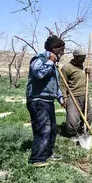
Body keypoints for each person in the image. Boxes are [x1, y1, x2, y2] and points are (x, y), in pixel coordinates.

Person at [26, 35, 66, 167]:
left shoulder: (53, 63)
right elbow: (38, 73)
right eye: (61, 50)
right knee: (43, 129)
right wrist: (49, 61)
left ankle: (48, 153)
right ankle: (36, 159)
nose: (63, 53)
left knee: (52, 130)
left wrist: (60, 98)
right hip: (38, 100)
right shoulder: (40, 58)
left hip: (48, 100)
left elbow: (54, 83)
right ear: (55, 49)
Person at [59, 48, 92, 139]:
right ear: (76, 57)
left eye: (84, 57)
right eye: (82, 58)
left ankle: (82, 132)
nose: (84, 59)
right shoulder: (67, 68)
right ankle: (72, 135)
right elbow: (62, 84)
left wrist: (88, 74)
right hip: (73, 96)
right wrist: (64, 97)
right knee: (72, 119)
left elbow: (84, 80)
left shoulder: (84, 67)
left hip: (85, 94)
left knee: (88, 117)